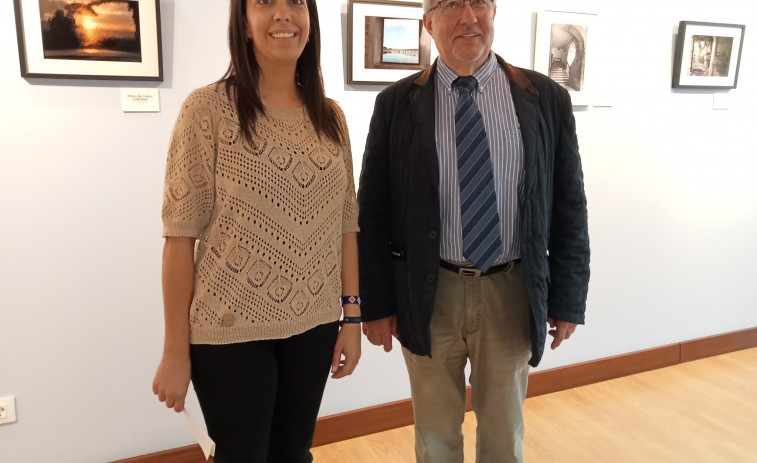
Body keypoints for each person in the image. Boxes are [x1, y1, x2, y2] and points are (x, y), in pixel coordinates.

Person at [357, 0, 590, 462]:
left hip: (511, 290)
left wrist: (568, 298)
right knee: (435, 435)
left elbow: (569, 204)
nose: (468, 16)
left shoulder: (545, 98)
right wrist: (376, 304)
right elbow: (373, 212)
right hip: (427, 292)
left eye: (478, 2)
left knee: (504, 436)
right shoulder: (396, 105)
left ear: (494, 11)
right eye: (449, 4)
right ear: (427, 22)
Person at [151, 0, 361, 461]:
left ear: (310, 21)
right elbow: (179, 238)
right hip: (229, 333)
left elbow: (347, 225)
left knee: (294, 454)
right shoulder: (207, 110)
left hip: (315, 325)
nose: (283, 14)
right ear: (244, 24)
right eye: (266, 2)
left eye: (296, 3)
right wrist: (174, 351)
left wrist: (352, 317)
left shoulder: (331, 117)